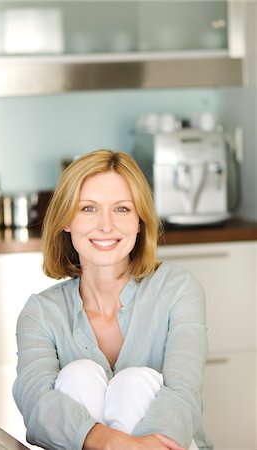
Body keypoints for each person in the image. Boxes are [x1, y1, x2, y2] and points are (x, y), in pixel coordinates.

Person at [13, 149, 213, 450]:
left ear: (139, 221)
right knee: (78, 376)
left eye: (121, 209)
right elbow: (37, 405)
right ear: (66, 220)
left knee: (133, 383)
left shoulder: (178, 289)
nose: (106, 225)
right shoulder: (41, 313)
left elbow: (183, 392)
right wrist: (114, 444)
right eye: (88, 209)